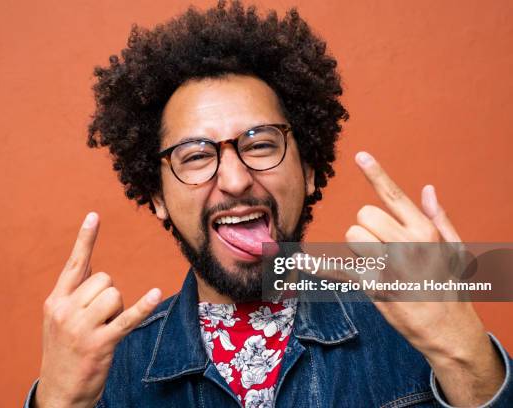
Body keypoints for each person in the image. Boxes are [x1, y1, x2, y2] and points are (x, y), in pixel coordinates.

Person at [25, 1, 512, 407]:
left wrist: (466, 352)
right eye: (196, 156)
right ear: (157, 198)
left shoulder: (410, 323)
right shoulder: (110, 371)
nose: (235, 179)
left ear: (309, 168)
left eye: (260, 144)